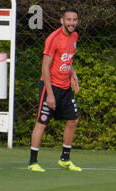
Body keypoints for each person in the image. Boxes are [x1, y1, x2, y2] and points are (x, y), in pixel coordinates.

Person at [28, 8, 82, 172]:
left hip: (65, 88)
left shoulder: (75, 37)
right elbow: (45, 67)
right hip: (50, 87)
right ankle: (33, 162)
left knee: (73, 120)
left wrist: (73, 74)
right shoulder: (53, 38)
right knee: (42, 122)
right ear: (62, 21)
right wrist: (50, 94)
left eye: (74, 20)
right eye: (68, 20)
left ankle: (65, 159)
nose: (71, 23)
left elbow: (68, 58)